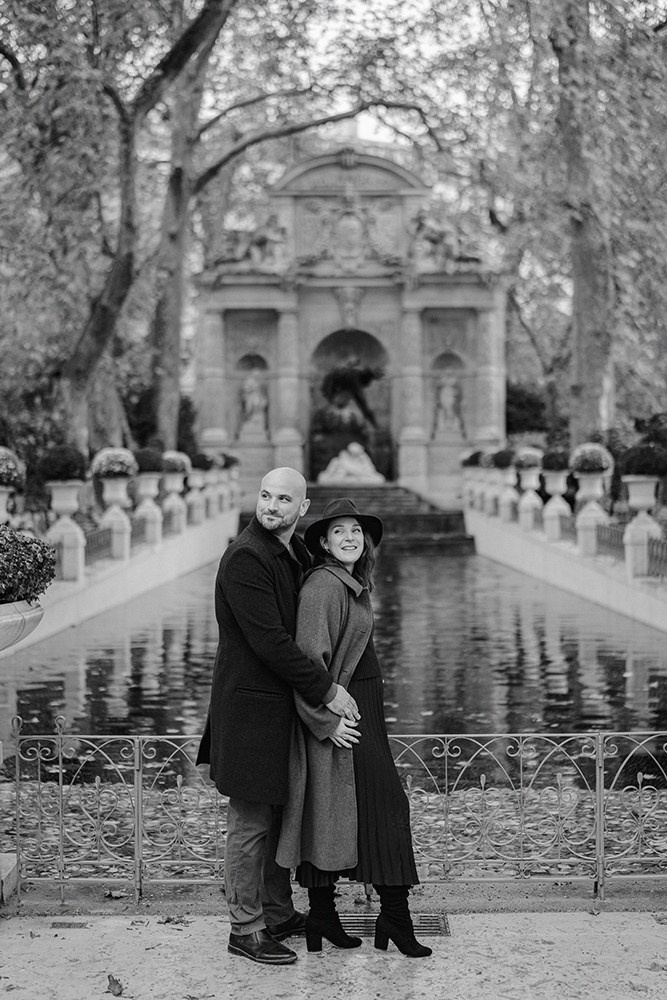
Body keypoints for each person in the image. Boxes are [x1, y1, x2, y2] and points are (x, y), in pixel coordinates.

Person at [196, 469, 360, 966]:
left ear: (302, 508)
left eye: (283, 498)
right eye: (265, 495)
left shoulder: (292, 553)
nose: (270, 505)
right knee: (249, 822)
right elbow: (271, 641)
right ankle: (244, 929)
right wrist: (326, 690)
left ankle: (277, 910)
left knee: (274, 813)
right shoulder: (247, 556)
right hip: (248, 711)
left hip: (277, 710)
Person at [277, 497, 432, 958]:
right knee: (385, 805)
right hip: (343, 715)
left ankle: (324, 916)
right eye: (339, 531)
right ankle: (395, 919)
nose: (350, 537)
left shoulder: (349, 582)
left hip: (360, 709)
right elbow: (307, 662)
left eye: (356, 531)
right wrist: (325, 721)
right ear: (324, 541)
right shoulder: (324, 586)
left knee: (329, 810)